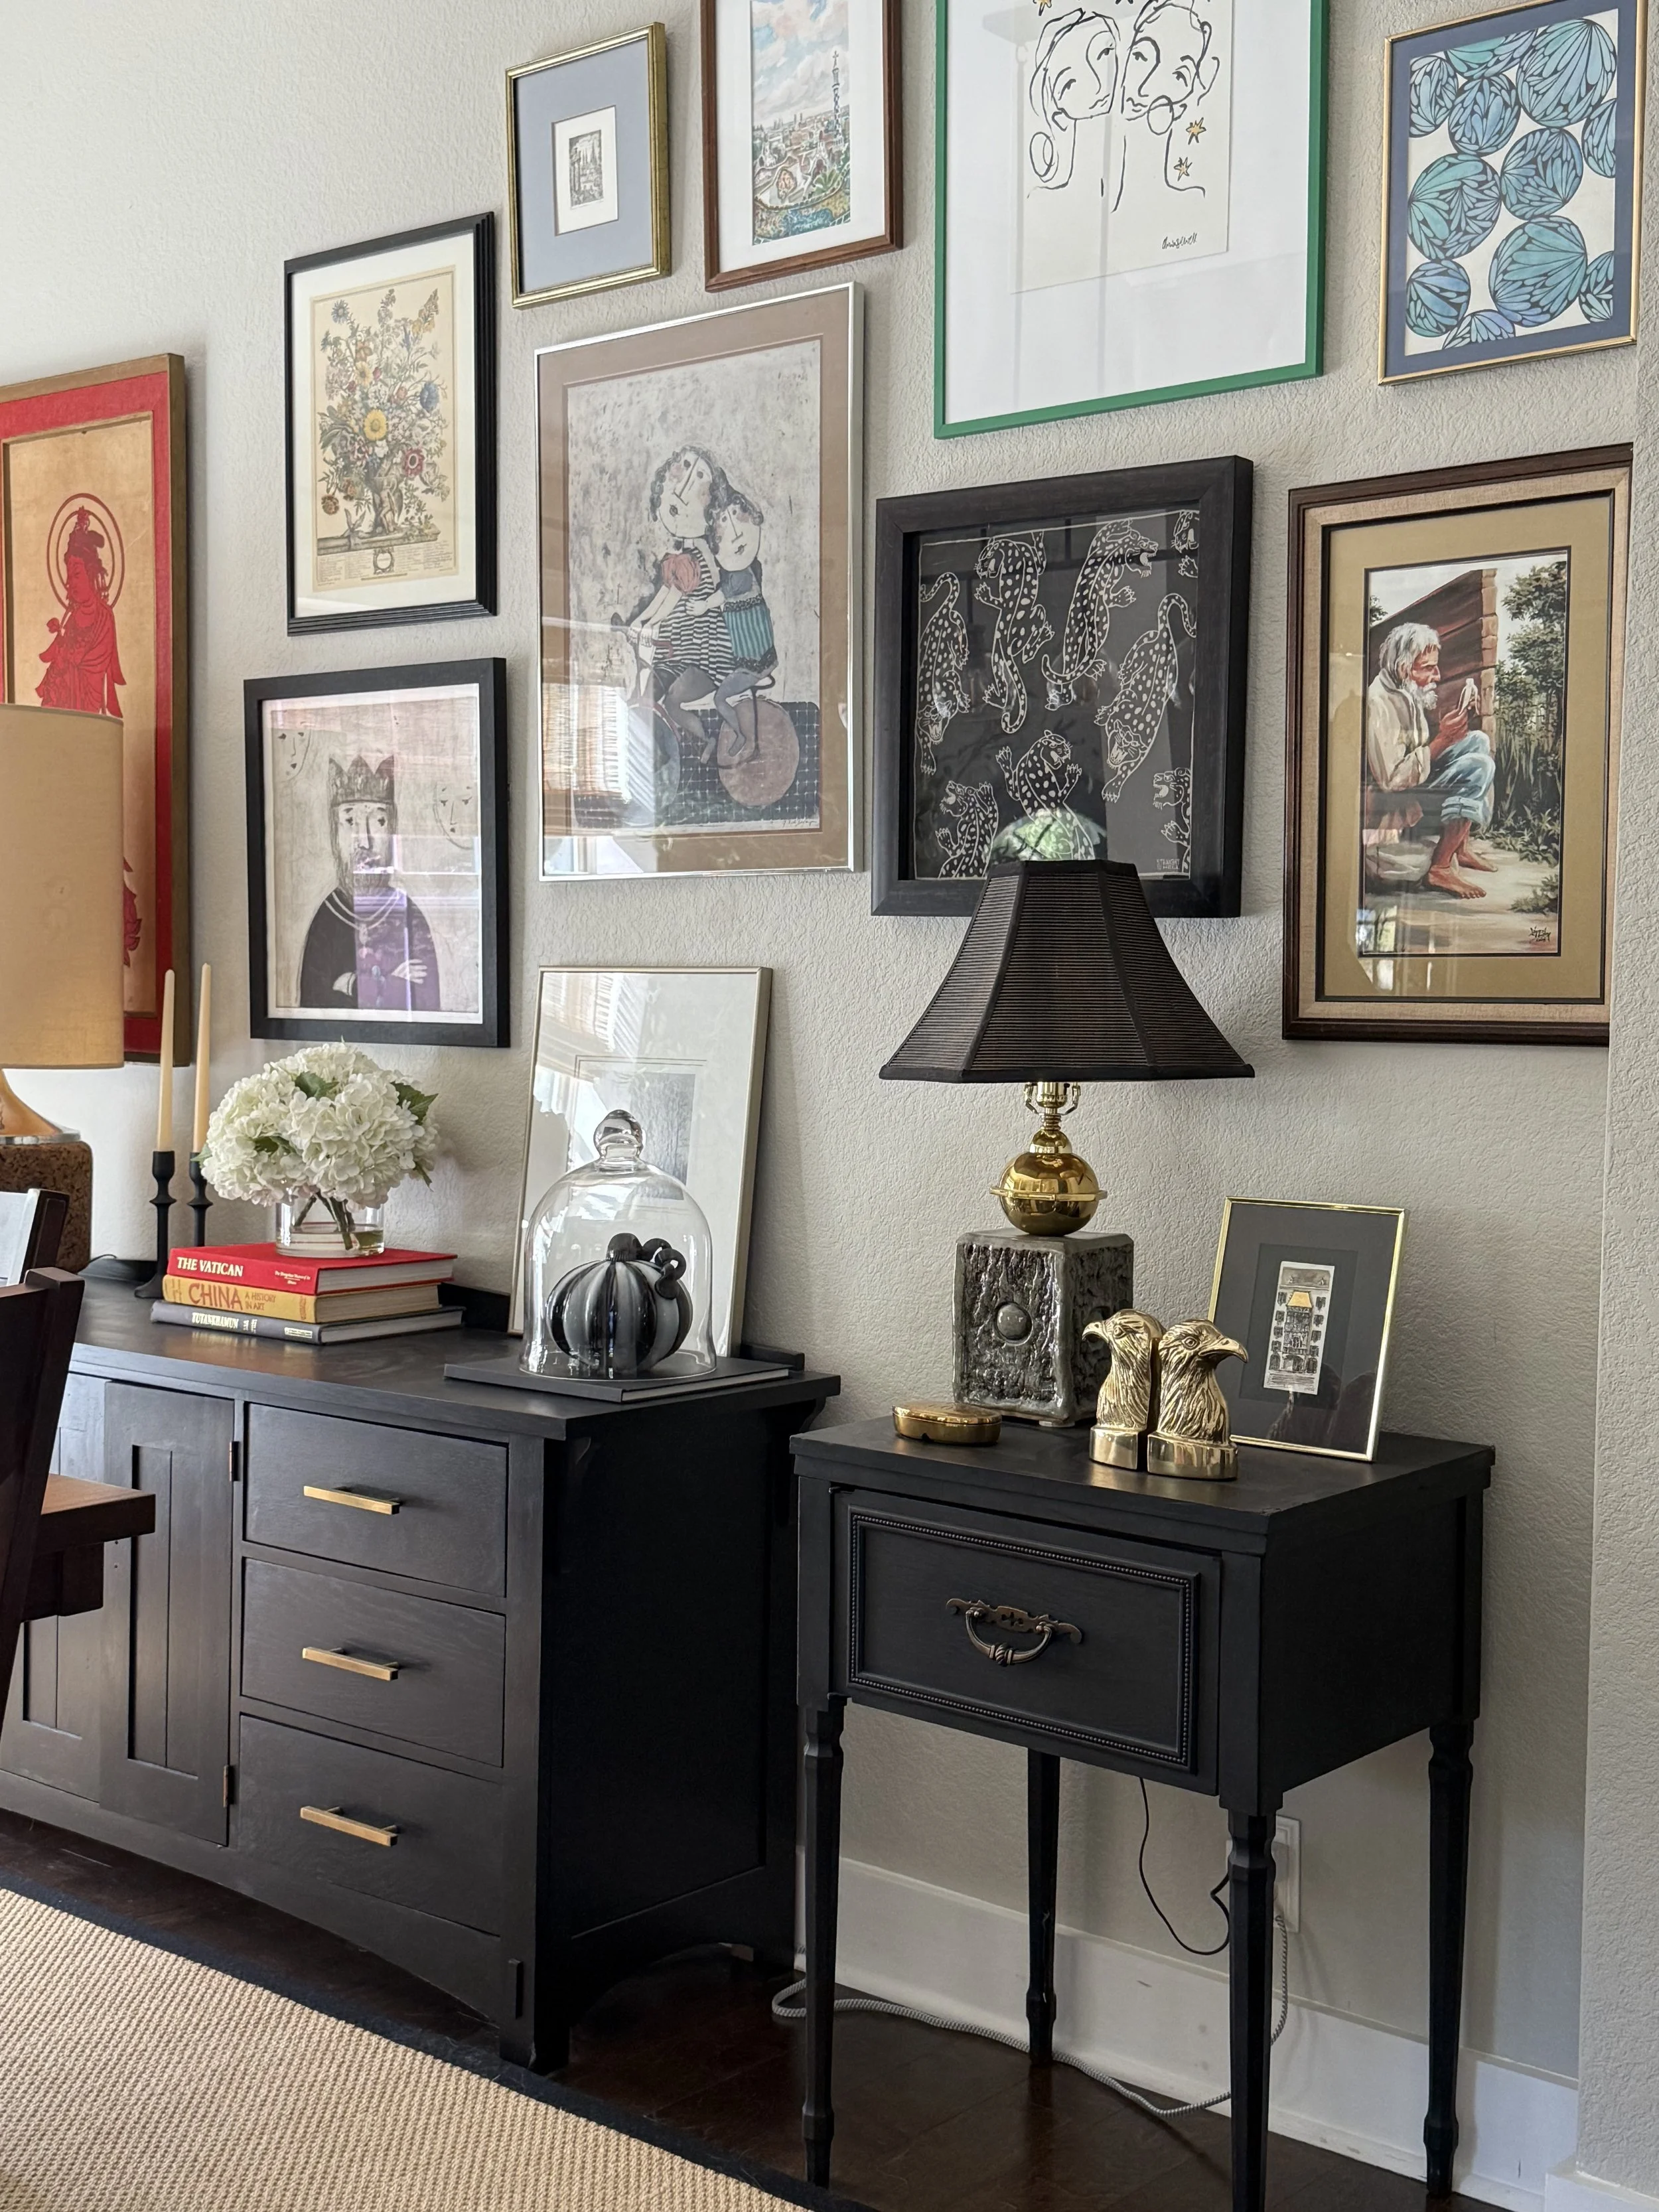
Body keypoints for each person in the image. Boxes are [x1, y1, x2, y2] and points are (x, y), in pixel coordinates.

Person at [1364, 621, 1497, 899]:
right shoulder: (1378, 703)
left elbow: (1417, 748)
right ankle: (1440, 868)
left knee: (1479, 741)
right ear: (1404, 668)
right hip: (1397, 796)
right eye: (1428, 668)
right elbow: (1392, 779)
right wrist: (1443, 740)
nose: (1437, 675)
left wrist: (1449, 735)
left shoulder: (1405, 689)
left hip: (1416, 778)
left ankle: (1459, 846)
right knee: (1480, 767)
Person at [298, 755, 441, 1011]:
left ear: (393, 829)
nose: (364, 841)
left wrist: (350, 985)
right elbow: (315, 1010)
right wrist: (393, 983)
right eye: (350, 822)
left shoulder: (409, 915)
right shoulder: (327, 919)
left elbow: (426, 1009)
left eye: (378, 821)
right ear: (334, 832)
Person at [689, 488, 778, 764]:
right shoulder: (746, 570)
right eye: (727, 537)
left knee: (719, 699)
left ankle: (740, 735)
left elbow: (722, 594)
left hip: (754, 664)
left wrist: (703, 605)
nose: (738, 538)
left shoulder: (740, 575)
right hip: (755, 659)